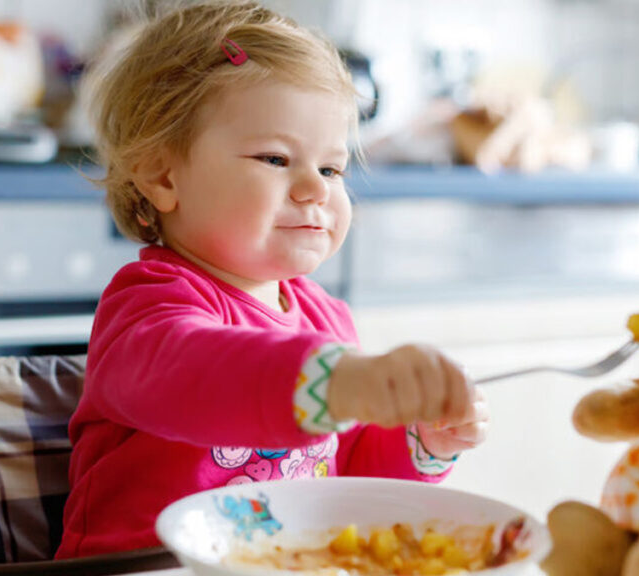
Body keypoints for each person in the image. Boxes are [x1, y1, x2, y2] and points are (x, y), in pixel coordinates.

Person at [56, 0, 489, 559]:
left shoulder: (327, 319)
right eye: (276, 159)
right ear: (164, 175)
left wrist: (420, 441)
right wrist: (336, 383)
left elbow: (346, 473)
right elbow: (196, 371)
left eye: (331, 168)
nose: (316, 188)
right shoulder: (146, 306)